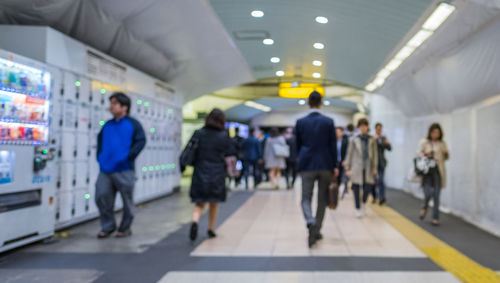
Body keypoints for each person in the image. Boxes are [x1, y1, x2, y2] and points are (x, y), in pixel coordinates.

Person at [95, 92, 146, 238]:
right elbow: (99, 143)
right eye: (110, 103)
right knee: (101, 196)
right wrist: (100, 157)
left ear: (124, 107)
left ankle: (125, 228)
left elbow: (141, 142)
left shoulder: (133, 124)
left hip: (124, 169)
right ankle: (108, 226)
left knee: (127, 201)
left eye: (114, 103)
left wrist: (128, 157)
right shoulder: (107, 125)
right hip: (105, 169)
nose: (111, 107)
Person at [295, 91, 338, 248]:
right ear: (321, 103)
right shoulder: (328, 122)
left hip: (306, 165)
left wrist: (298, 163)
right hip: (325, 164)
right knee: (322, 199)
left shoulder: (301, 122)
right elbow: (333, 146)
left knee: (305, 198)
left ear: (308, 103)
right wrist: (335, 165)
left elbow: (297, 146)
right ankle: (317, 229)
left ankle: (310, 221)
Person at [188, 109, 232, 241]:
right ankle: (211, 228)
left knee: (199, 201)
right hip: (217, 172)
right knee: (214, 202)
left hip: (200, 170)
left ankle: (195, 220)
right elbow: (230, 153)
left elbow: (191, 152)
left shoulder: (199, 133)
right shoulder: (224, 136)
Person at [345, 118, 378, 218]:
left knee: (367, 187)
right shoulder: (354, 139)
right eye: (361, 126)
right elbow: (349, 154)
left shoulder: (371, 139)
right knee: (355, 187)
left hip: (368, 166)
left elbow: (375, 154)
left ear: (367, 127)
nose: (363, 128)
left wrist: (375, 167)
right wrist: (347, 167)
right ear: (358, 127)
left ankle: (363, 202)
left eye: (365, 126)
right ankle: (357, 208)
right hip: (356, 166)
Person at [418, 123, 449, 226]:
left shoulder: (442, 143)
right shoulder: (424, 142)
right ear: (430, 132)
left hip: (438, 171)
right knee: (428, 193)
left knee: (436, 194)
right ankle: (425, 207)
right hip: (427, 172)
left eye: (437, 133)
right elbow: (418, 154)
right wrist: (425, 154)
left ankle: (435, 217)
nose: (435, 134)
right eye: (433, 132)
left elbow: (446, 158)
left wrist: (446, 153)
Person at [374, 123, 392, 205]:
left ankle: (381, 197)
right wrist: (375, 140)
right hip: (373, 163)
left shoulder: (383, 138)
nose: (379, 130)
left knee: (381, 180)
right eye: (377, 129)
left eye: (380, 129)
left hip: (381, 162)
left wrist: (387, 143)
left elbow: (389, 148)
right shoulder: (372, 138)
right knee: (374, 180)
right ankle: (375, 196)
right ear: (375, 129)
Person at [336, 127, 349, 192]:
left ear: (342, 132)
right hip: (336, 162)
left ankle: (345, 188)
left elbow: (347, 152)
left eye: (338, 132)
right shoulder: (333, 141)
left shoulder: (345, 141)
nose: (337, 133)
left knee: (344, 176)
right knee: (337, 176)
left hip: (343, 161)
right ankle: (337, 188)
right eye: (336, 132)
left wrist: (345, 160)